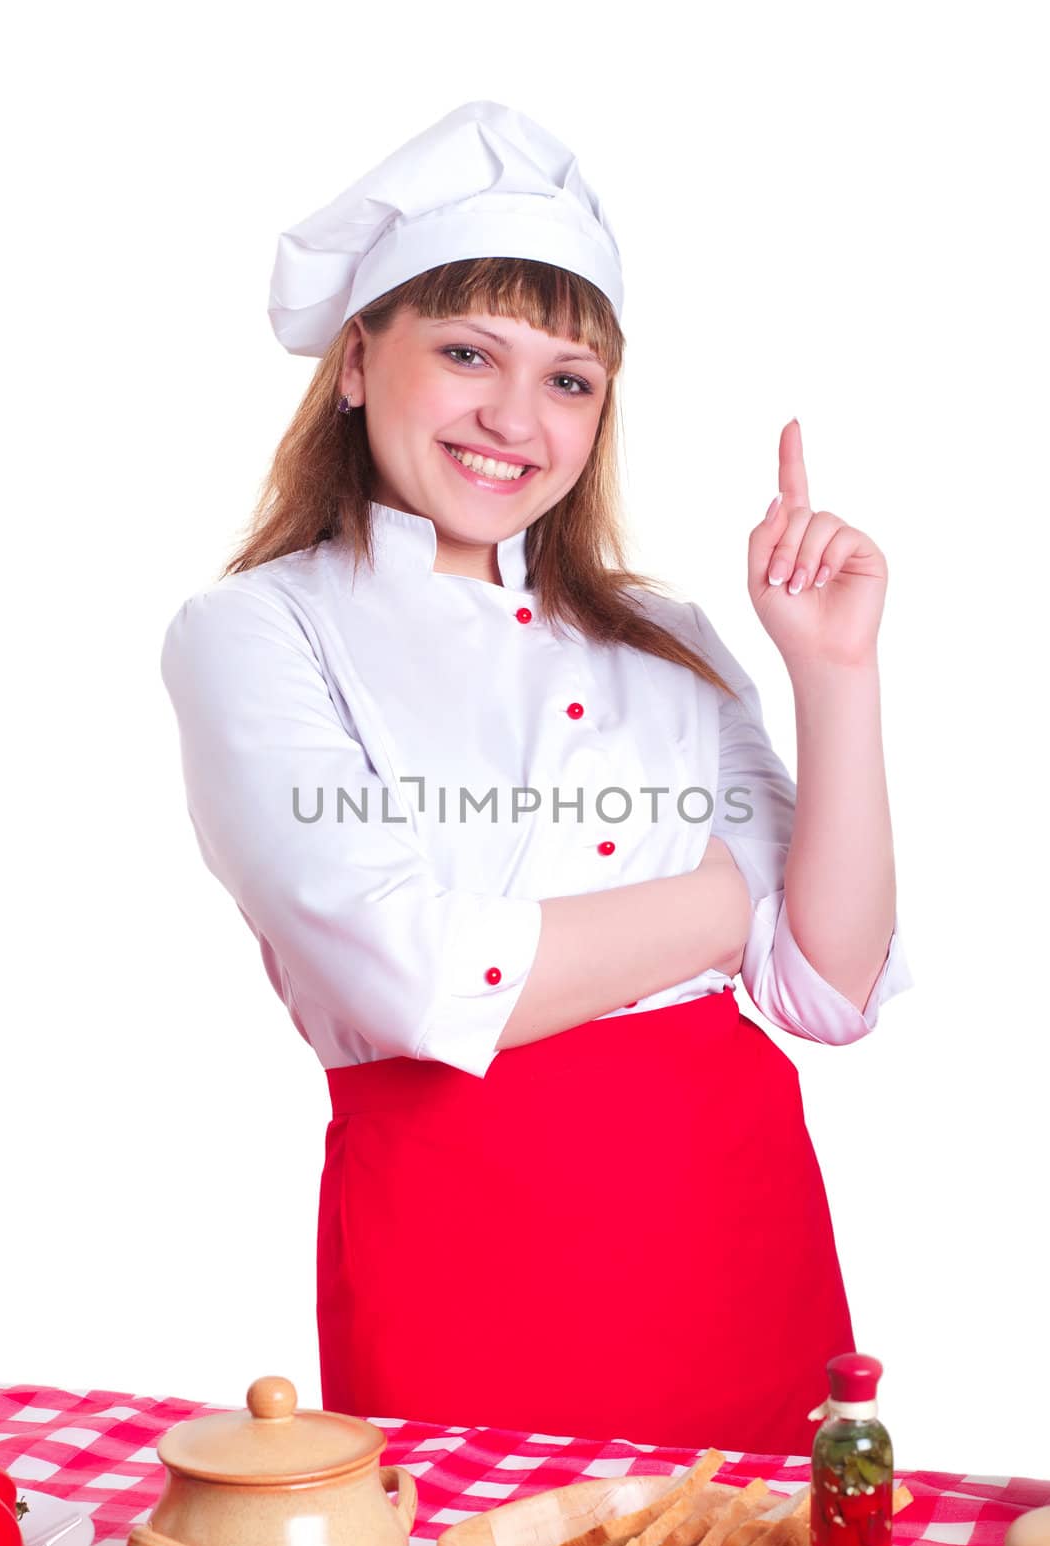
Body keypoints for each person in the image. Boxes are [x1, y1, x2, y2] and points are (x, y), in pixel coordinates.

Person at [160, 101, 913, 1455]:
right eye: (467, 353)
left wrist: (836, 676)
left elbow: (827, 981)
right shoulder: (257, 633)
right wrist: (721, 898)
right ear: (353, 362)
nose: (518, 418)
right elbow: (415, 981)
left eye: (569, 380)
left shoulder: (666, 632)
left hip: (743, 1234)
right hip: (467, 1250)